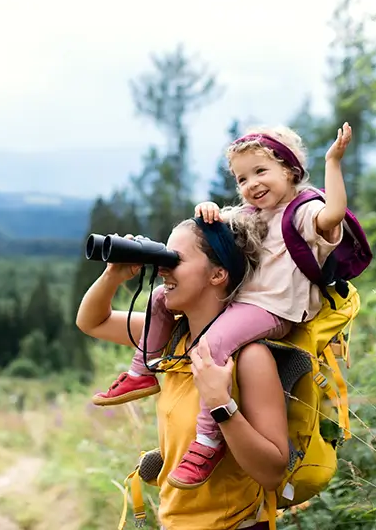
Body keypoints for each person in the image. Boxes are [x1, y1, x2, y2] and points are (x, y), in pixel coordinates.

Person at [92, 122, 355, 489]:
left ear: (291, 170)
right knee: (158, 299)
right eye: (242, 178)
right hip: (242, 305)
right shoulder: (250, 215)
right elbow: (206, 236)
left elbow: (334, 215)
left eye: (261, 171)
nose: (252, 184)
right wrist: (210, 209)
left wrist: (334, 163)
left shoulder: (302, 212)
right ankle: (143, 371)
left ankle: (207, 441)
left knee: (212, 344)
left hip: (273, 309)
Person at [76, 216, 288, 529]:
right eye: (163, 256)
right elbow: (92, 322)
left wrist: (222, 405)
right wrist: (114, 275)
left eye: (176, 259)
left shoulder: (250, 358)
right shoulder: (173, 339)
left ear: (217, 274)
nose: (162, 268)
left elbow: (272, 472)